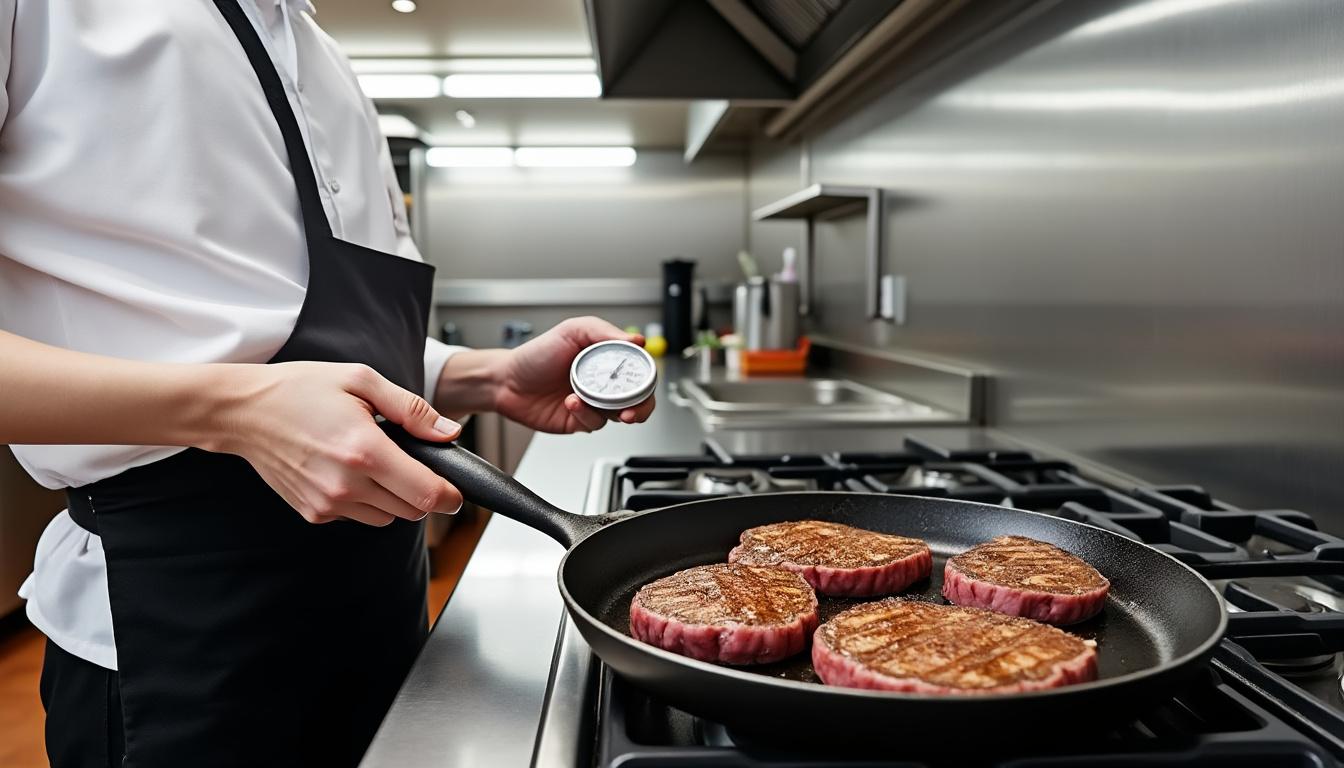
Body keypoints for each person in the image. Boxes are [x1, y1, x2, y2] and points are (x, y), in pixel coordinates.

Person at [0, 2, 655, 766]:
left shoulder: (320, 52)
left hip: (386, 615)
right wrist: (233, 409)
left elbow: (318, 331)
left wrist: (486, 376)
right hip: (181, 635)